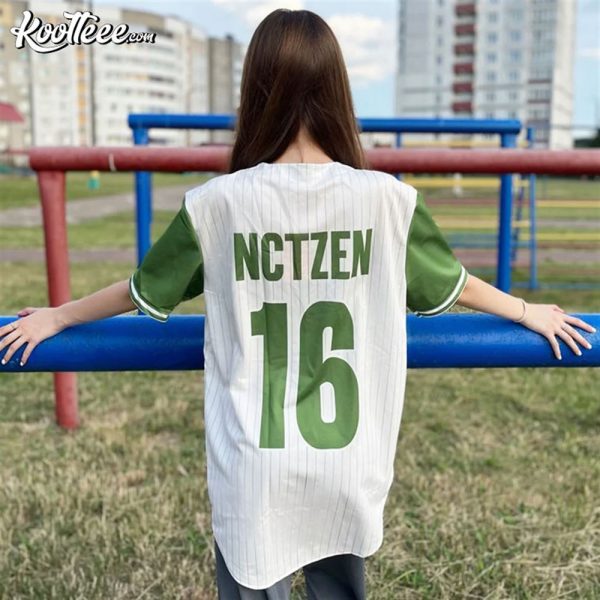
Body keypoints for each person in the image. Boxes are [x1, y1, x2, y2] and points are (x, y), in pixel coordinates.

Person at [0, 8, 595, 600]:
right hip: (349, 459)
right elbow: (454, 284)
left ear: (255, 91)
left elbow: (141, 290)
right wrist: (528, 311)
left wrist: (59, 315)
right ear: (338, 89)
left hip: (255, 464)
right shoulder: (388, 200)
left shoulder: (217, 203)